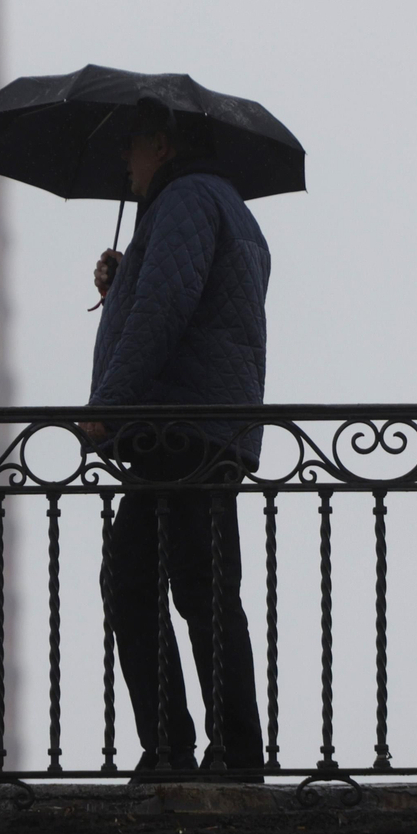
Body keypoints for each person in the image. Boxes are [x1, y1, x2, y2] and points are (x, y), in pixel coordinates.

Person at [84, 99, 269, 781]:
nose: (124, 163)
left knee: (147, 583)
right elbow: (181, 296)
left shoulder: (186, 199)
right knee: (199, 586)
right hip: (205, 425)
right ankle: (218, 748)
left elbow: (167, 309)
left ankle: (190, 749)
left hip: (182, 429)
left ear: (159, 144)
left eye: (131, 147)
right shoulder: (218, 204)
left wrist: (107, 406)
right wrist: (125, 276)